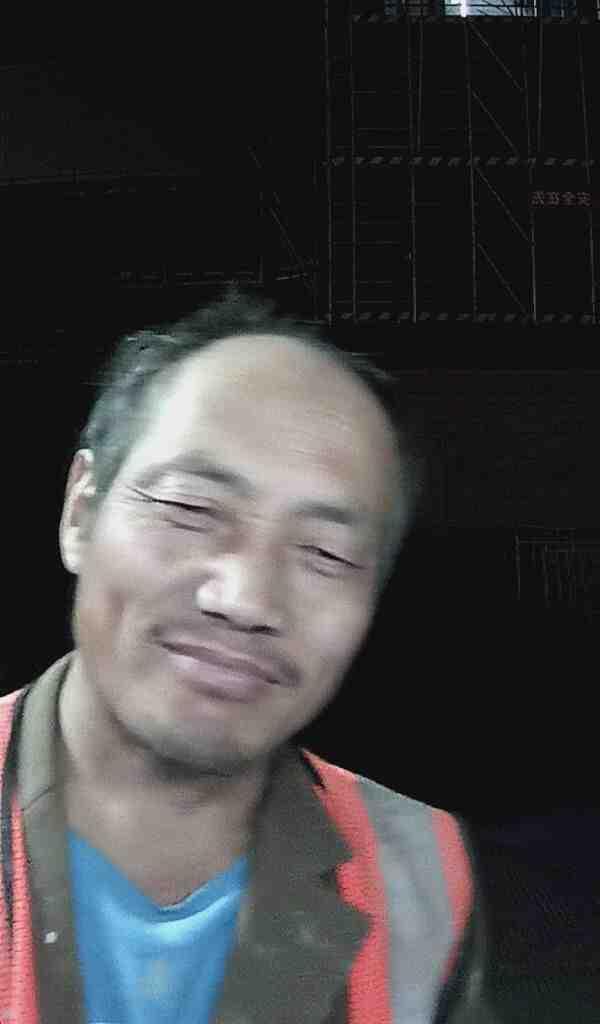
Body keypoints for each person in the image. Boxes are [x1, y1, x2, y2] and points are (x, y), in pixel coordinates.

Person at [0, 288, 498, 1023]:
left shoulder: (418, 868)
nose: (247, 599)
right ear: (81, 511)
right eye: (191, 508)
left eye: (326, 553)